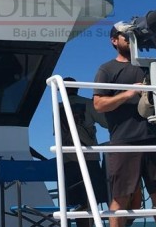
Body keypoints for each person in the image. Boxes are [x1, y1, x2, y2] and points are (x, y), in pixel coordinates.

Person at [92, 22, 156, 227]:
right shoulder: (107, 70)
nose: (130, 39)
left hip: (153, 139)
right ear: (114, 41)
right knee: (121, 197)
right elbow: (98, 104)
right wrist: (128, 93)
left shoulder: (147, 66)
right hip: (124, 141)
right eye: (126, 35)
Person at [58, 77, 110, 227]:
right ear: (77, 88)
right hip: (89, 156)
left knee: (76, 203)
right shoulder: (88, 104)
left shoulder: (58, 107)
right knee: (94, 197)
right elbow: (106, 123)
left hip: (68, 159)